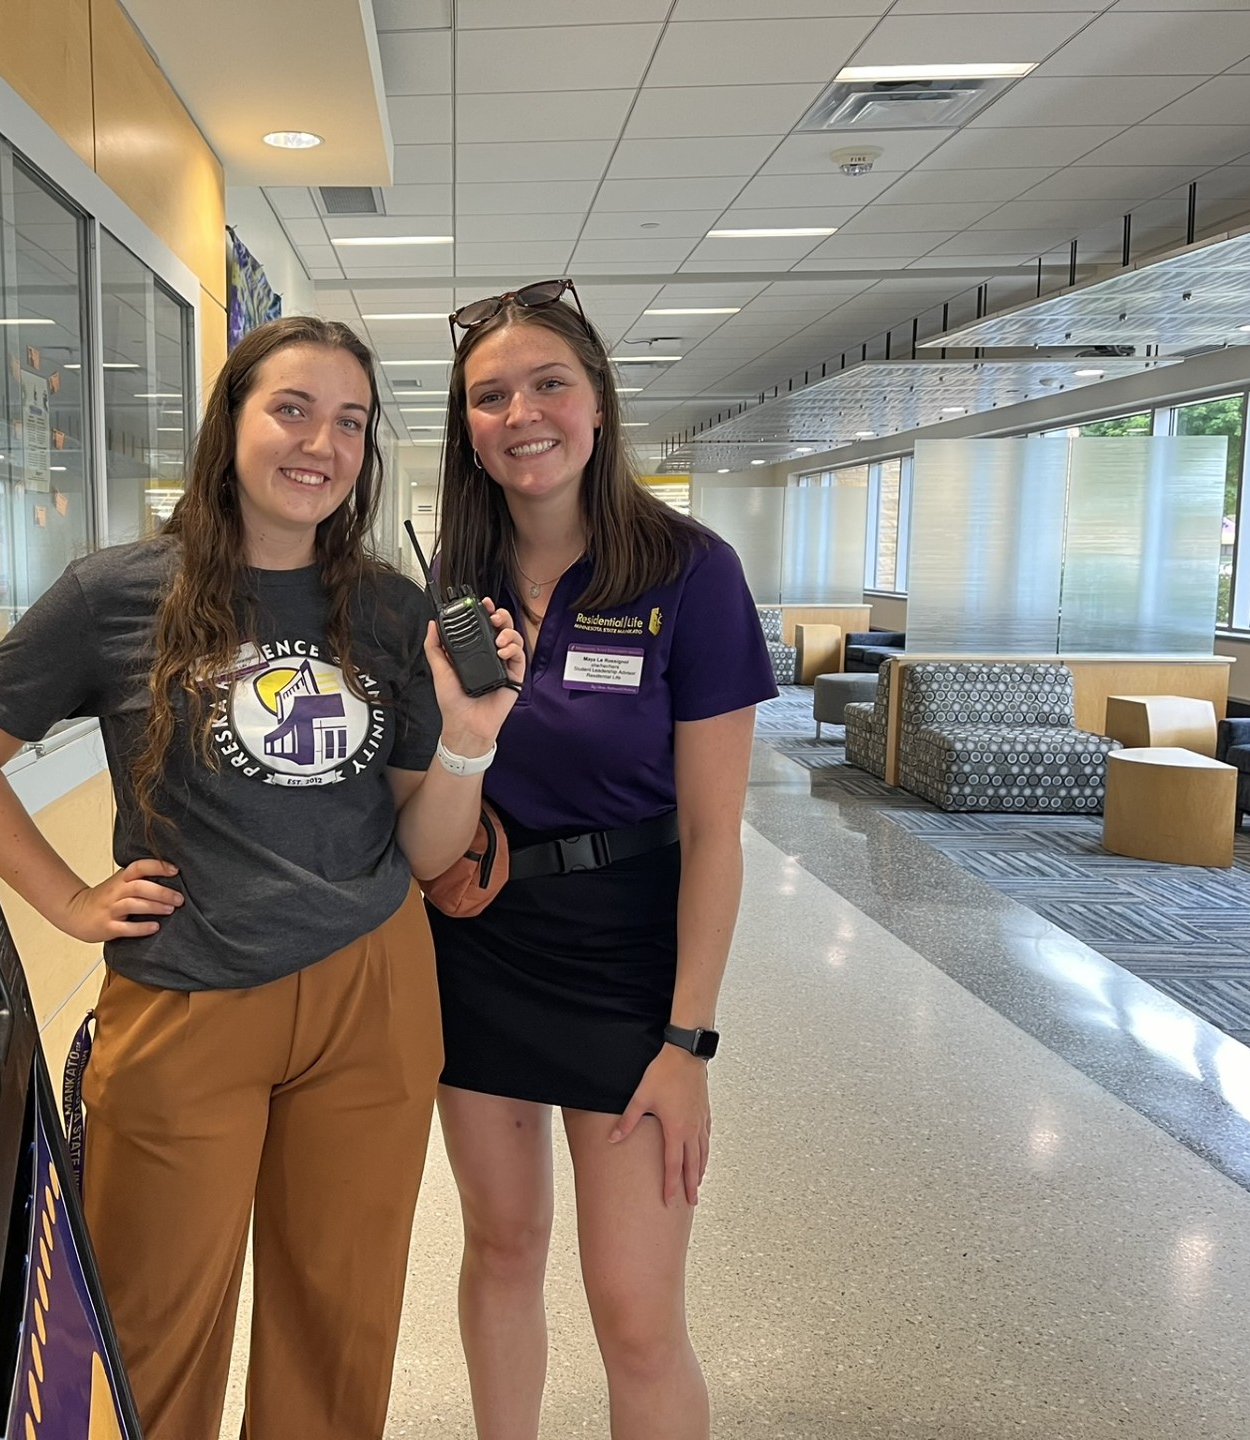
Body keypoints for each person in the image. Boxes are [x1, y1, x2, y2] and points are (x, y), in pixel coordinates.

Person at [0, 314, 523, 1440]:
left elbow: (432, 849)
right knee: (150, 1326)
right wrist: (66, 900)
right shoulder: (119, 593)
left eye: (349, 421)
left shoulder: (389, 609)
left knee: (340, 1324)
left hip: (372, 991)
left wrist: (472, 735)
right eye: (292, 409)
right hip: (188, 992)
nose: (321, 444)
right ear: (231, 422)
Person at [425, 280, 777, 1440]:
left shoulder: (688, 571)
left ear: (598, 405)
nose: (522, 412)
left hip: (631, 959)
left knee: (634, 1311)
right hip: (474, 947)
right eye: (491, 396)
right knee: (502, 1246)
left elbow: (717, 835)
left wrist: (688, 1040)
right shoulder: (444, 591)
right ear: (468, 430)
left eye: (549, 384)